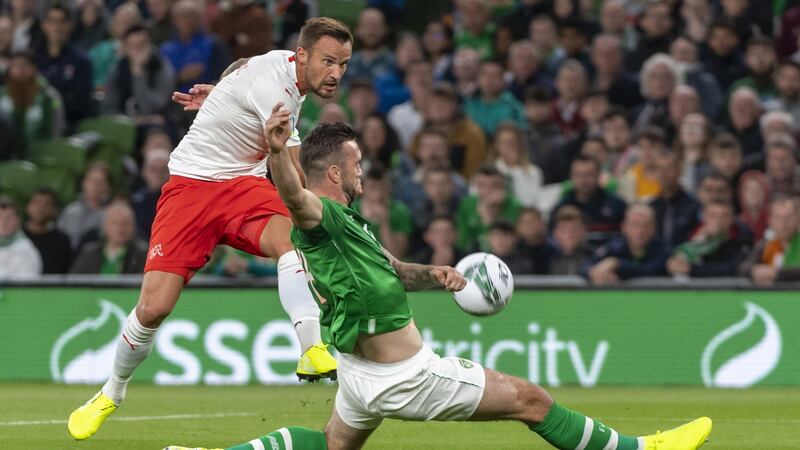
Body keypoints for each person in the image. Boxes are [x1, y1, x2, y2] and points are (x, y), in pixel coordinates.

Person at [247, 117, 712, 450]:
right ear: (334, 173)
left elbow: (396, 271)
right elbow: (294, 196)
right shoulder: (320, 217)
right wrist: (275, 150)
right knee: (530, 400)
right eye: (357, 163)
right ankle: (643, 449)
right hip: (405, 377)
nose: (362, 171)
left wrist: (435, 274)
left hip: (359, 371)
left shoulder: (351, 225)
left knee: (331, 445)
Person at [67, 18, 353, 441]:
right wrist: (332, 214)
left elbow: (242, 72)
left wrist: (219, 95)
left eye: (344, 64)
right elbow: (294, 171)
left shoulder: (284, 68)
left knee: (295, 240)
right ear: (304, 55)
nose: (336, 73)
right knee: (153, 309)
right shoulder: (278, 88)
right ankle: (112, 392)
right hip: (192, 188)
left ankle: (311, 349)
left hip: (243, 185)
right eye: (329, 61)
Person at [34, 2, 93, 129]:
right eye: (52, 21)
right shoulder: (33, 58)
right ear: (44, 25)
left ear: (70, 25)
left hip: (70, 126)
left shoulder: (81, 61)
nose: (57, 27)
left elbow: (81, 104)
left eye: (62, 22)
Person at [101, 25, 175, 121]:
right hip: (125, 122)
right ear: (125, 48)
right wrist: (134, 120)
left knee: (157, 135)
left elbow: (152, 108)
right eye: (132, 46)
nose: (137, 52)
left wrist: (138, 73)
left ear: (150, 45)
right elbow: (108, 109)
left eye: (141, 46)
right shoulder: (117, 69)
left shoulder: (162, 68)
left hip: (159, 122)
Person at [582, 204, 669, 284]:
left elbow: (649, 270)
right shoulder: (614, 247)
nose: (640, 231)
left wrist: (617, 263)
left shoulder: (663, 250)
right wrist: (593, 272)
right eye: (635, 225)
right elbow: (585, 266)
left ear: (653, 228)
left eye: (646, 225)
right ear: (624, 227)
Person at [666, 199, 752, 278]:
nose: (718, 221)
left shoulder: (742, 242)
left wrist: (691, 269)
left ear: (731, 219)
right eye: (713, 216)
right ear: (704, 217)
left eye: (724, 216)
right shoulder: (693, 238)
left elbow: (731, 269)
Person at [70, 202, 149, 275]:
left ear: (133, 226)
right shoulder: (89, 253)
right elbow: (73, 281)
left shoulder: (144, 254)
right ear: (105, 226)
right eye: (114, 223)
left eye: (125, 223)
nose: (120, 228)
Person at [739, 196, 800, 285]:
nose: (783, 222)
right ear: (770, 221)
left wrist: (776, 273)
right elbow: (744, 267)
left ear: (798, 219)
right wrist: (755, 271)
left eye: (789, 217)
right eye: (778, 217)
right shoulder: (765, 244)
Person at [57, 162, 112, 250]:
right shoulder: (69, 212)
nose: (96, 186)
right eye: (92, 181)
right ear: (84, 183)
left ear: (108, 186)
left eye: (101, 182)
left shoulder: (112, 216)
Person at [22, 188, 72, 274]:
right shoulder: (15, 236)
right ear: (28, 207)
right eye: (37, 202)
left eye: (47, 204)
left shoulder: (62, 241)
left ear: (55, 210)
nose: (40, 208)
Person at [0, 197, 42, 279]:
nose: (3, 222)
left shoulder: (26, 249)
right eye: (0, 217)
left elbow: (25, 284)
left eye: (9, 217)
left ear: (18, 220)